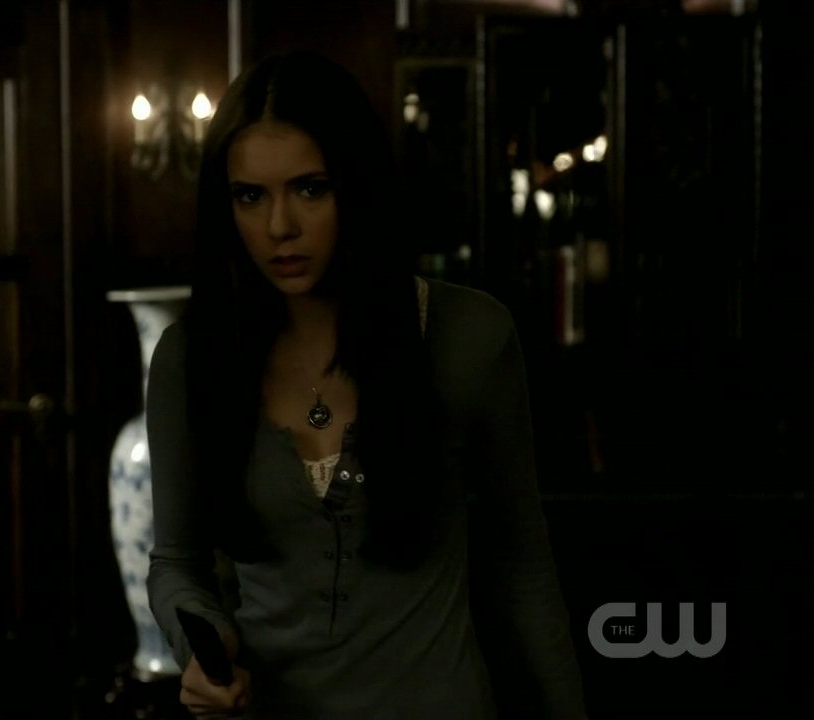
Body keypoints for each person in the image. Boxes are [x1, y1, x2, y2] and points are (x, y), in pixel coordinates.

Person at [146, 50, 587, 719]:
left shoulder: (468, 337)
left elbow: (522, 565)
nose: (280, 227)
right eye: (250, 196)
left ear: (357, 186)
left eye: (310, 189)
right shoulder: (190, 359)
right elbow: (177, 563)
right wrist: (204, 647)